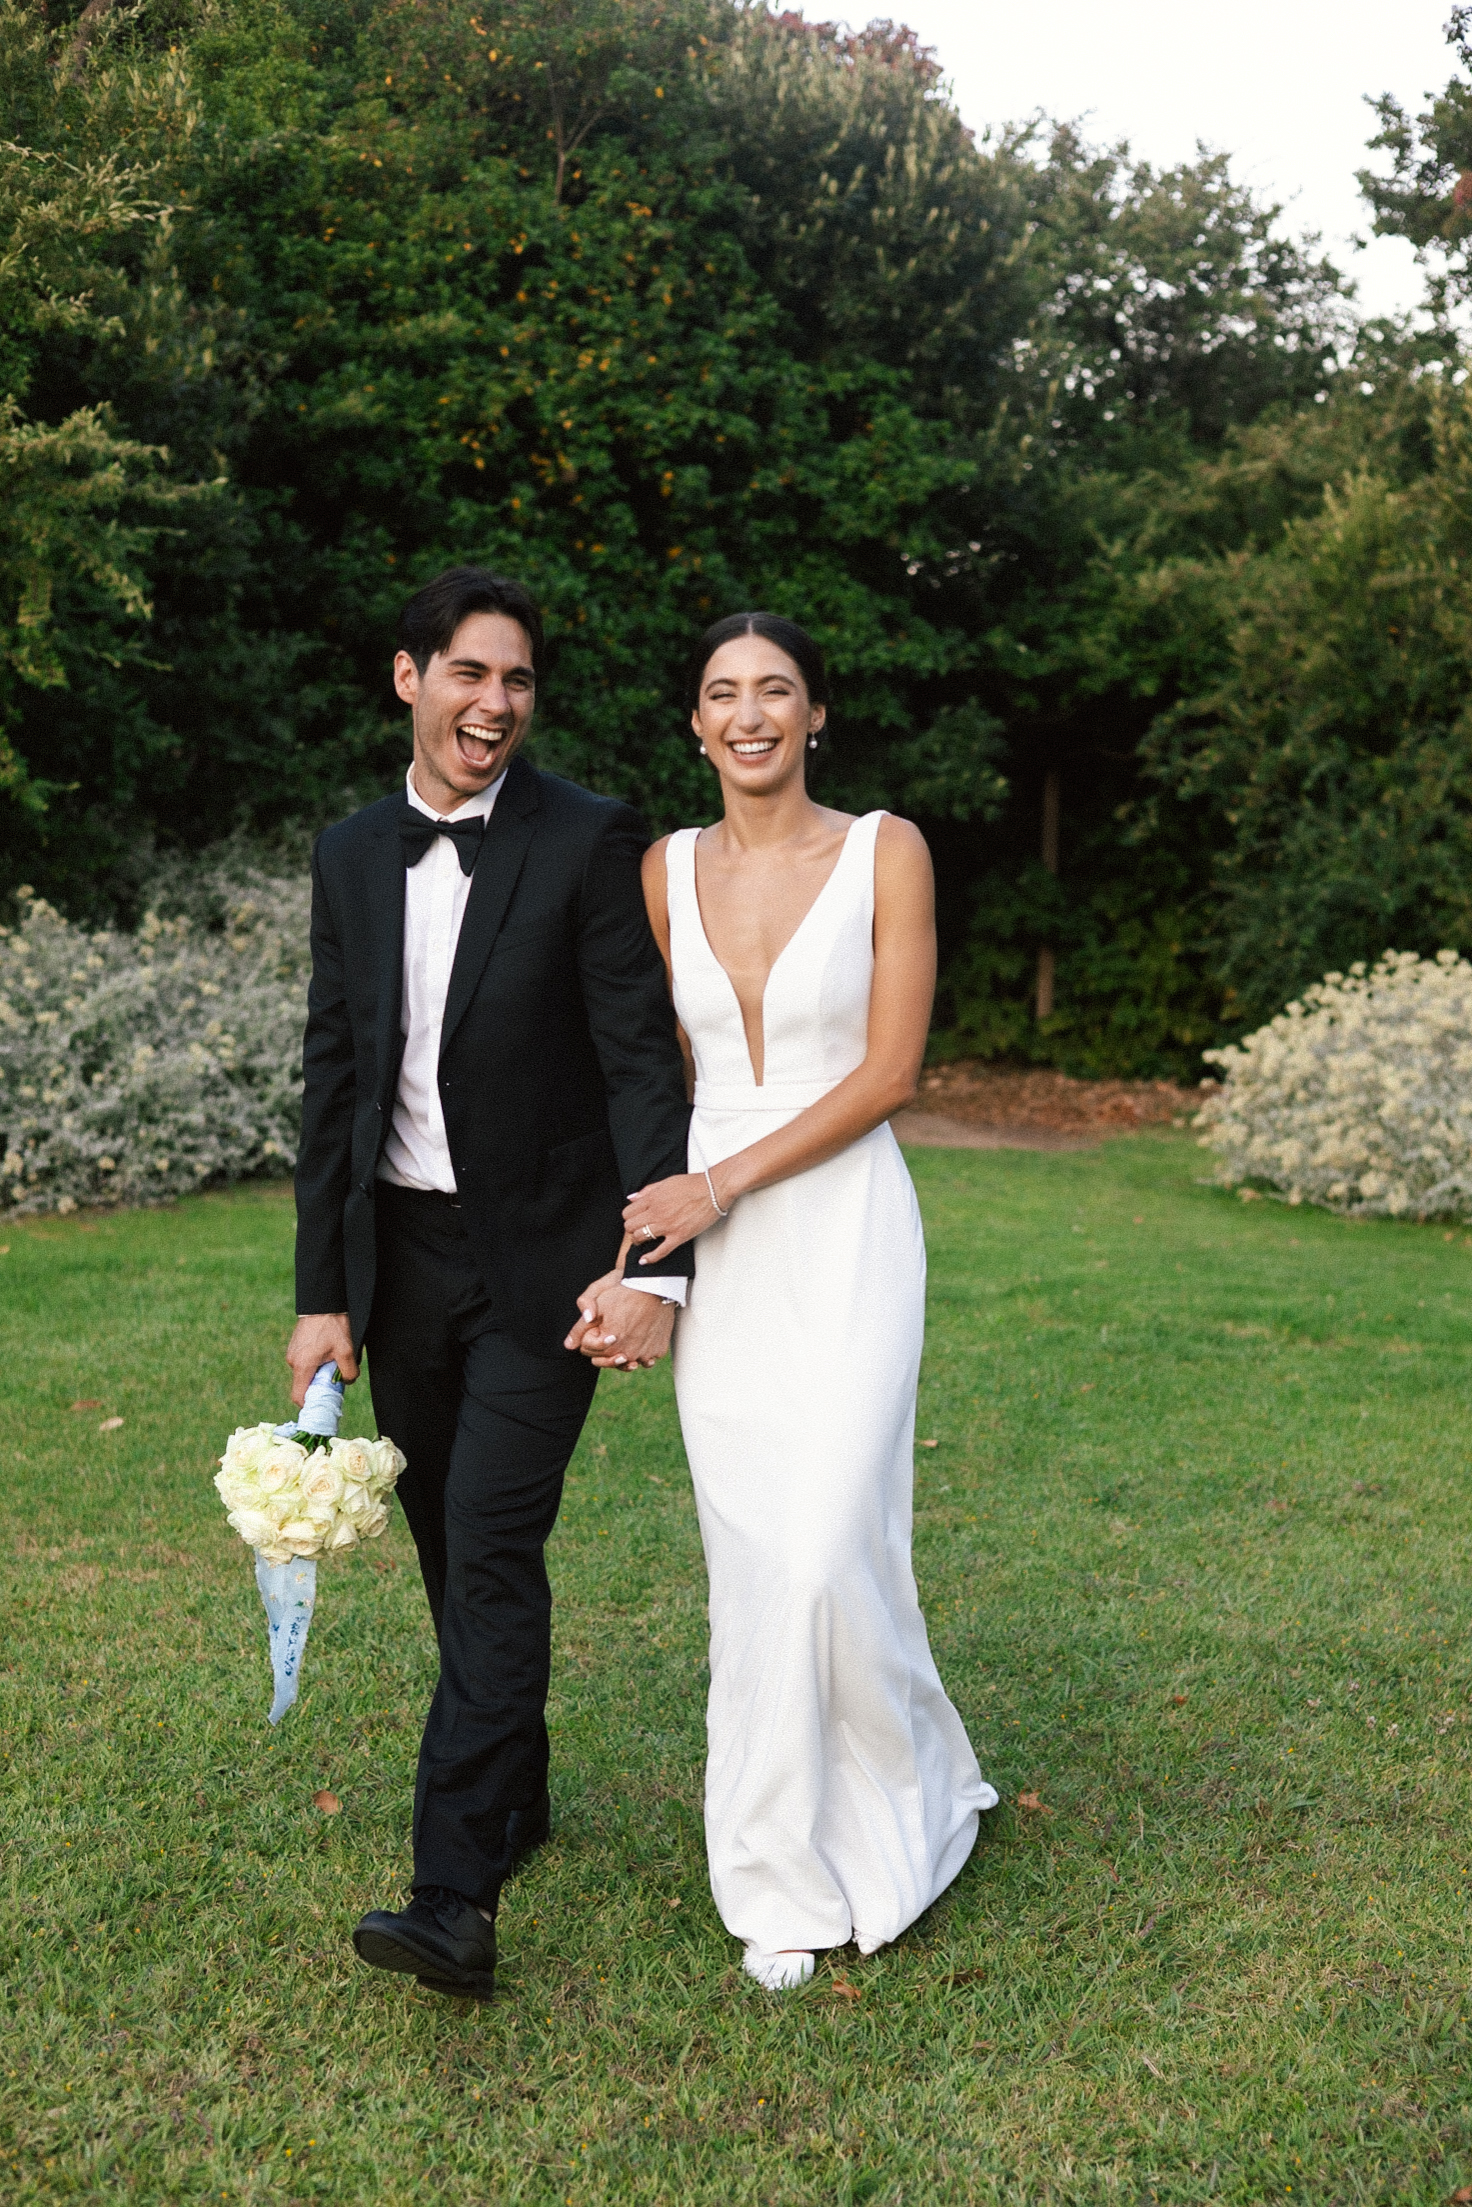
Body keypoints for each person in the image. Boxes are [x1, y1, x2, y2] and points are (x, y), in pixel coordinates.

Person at [288, 566, 694, 2001]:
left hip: (549, 1269)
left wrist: (659, 1268)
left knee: (494, 1550)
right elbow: (335, 1084)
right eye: (471, 673)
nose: (495, 704)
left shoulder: (587, 840)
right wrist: (320, 1296)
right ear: (411, 678)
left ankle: (454, 1893)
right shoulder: (348, 855)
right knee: (446, 1556)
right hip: (401, 1270)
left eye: (517, 681)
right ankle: (513, 1793)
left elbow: (644, 1061)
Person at [576, 611, 997, 1990]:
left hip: (844, 1222)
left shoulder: (888, 849)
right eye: (721, 694)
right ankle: (772, 1877)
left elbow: (889, 1074)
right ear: (693, 725)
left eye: (777, 692)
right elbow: (647, 1083)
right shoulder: (659, 871)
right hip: (721, 1248)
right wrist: (647, 1258)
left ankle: (914, 1787)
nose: (750, 714)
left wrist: (722, 1183)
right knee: (759, 1560)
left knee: (832, 1542)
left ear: (818, 715)